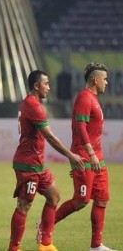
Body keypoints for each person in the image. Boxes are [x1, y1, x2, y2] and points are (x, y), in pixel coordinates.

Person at [8, 70, 84, 251]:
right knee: (24, 204)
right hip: (28, 164)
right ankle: (13, 248)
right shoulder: (33, 105)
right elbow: (49, 137)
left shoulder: (31, 103)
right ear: (36, 86)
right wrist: (70, 155)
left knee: (54, 196)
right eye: (46, 84)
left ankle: (45, 244)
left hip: (37, 164)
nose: (49, 88)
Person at [54, 63, 116, 251]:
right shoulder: (84, 98)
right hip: (84, 155)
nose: (106, 82)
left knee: (102, 199)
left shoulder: (94, 99)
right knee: (81, 201)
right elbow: (81, 128)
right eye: (104, 79)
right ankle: (46, 224)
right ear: (95, 80)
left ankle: (96, 246)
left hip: (98, 156)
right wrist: (90, 153)